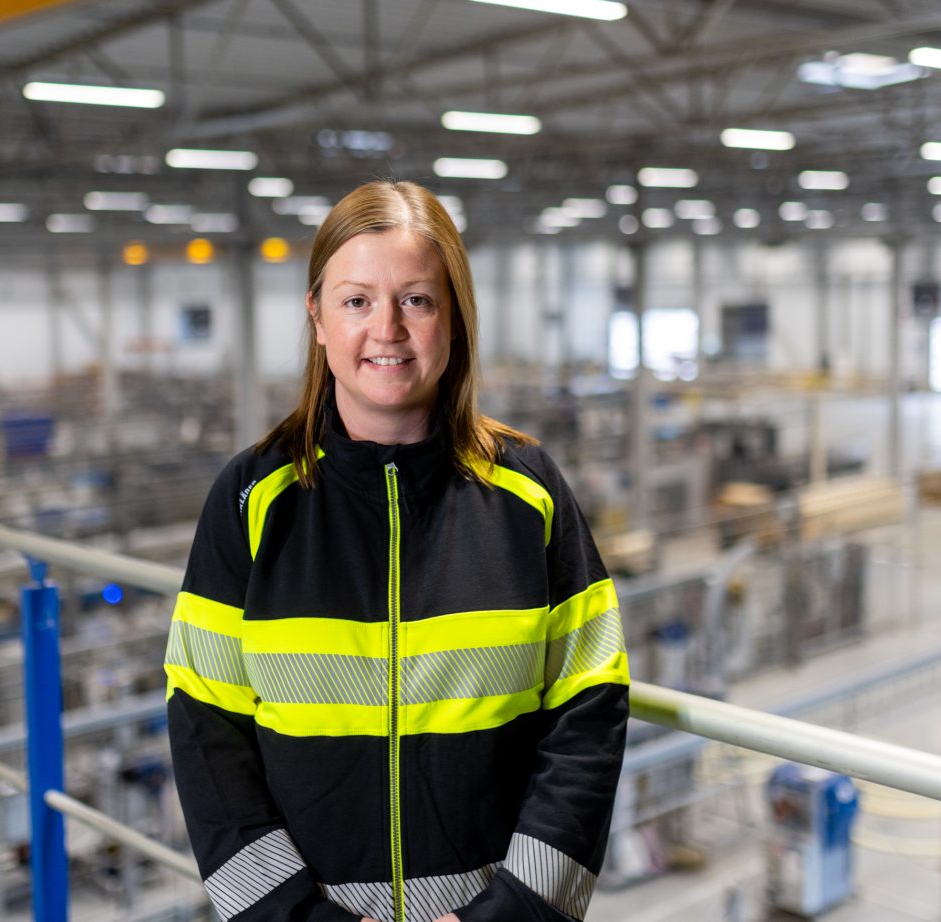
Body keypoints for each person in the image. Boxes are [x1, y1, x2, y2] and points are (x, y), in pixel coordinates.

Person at [165, 179, 629, 922]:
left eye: (417, 299)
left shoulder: (529, 495)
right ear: (316, 316)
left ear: (455, 320)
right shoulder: (252, 501)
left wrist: (515, 911)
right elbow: (204, 724)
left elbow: (588, 708)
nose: (388, 329)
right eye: (356, 301)